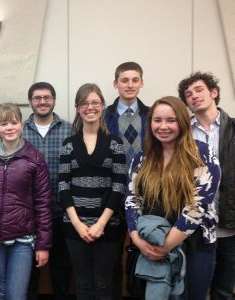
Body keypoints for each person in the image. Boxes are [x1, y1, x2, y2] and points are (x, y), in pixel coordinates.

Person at [125, 96, 221, 300]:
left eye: (171, 120)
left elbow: (197, 207)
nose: (163, 126)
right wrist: (136, 238)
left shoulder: (202, 154)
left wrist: (165, 246)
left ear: (183, 122)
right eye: (157, 120)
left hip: (194, 245)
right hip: (149, 243)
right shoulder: (141, 157)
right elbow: (132, 199)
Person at [0, 103, 52, 300]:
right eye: (4, 123)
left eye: (14, 122)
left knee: (16, 295)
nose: (9, 127)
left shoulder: (35, 159)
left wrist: (43, 245)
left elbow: (43, 204)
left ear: (21, 125)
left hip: (22, 238)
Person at [59, 83, 127, 299]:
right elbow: (63, 185)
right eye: (85, 103)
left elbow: (119, 186)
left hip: (107, 227)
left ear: (102, 106)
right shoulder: (68, 144)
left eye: (95, 103)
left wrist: (100, 224)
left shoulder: (115, 144)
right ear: (78, 108)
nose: (90, 107)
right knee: (83, 284)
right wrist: (78, 224)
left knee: (104, 284)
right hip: (74, 227)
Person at [178, 72, 235, 300]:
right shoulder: (183, 134)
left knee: (224, 289)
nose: (194, 96)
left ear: (214, 92)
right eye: (188, 94)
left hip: (230, 224)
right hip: (196, 226)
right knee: (194, 291)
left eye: (199, 90)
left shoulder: (233, 128)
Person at [104, 62, 150, 298]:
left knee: (144, 254)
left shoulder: (153, 115)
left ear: (142, 83)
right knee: (111, 257)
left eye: (135, 80)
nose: (130, 85)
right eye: (124, 80)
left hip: (146, 195)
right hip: (111, 193)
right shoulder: (103, 116)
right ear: (115, 84)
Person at [23, 82, 72, 300]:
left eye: (47, 97)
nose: (42, 102)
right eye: (37, 98)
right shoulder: (20, 130)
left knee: (61, 267)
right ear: (30, 101)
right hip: (28, 212)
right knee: (29, 269)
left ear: (54, 100)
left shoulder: (70, 129)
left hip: (63, 210)